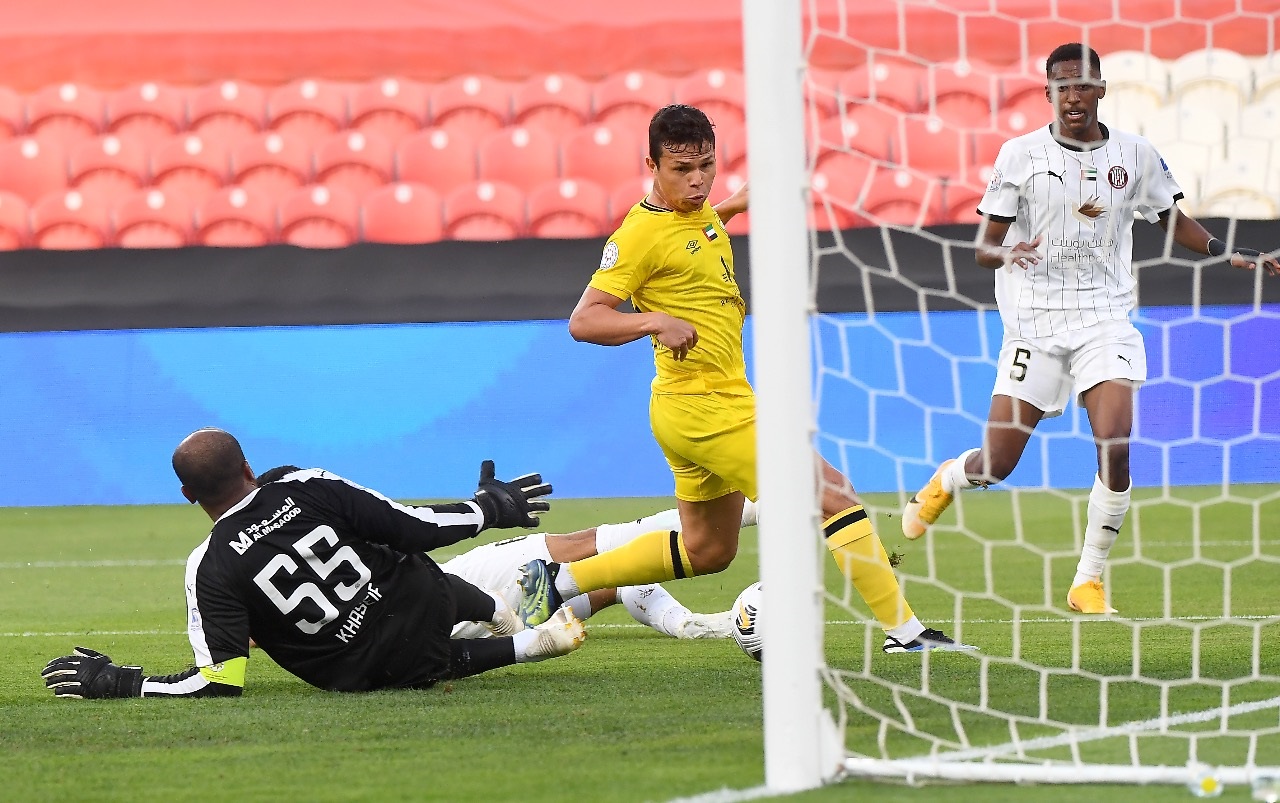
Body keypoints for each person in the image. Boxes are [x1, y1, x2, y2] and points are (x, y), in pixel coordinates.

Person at [519, 103, 973, 654]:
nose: (697, 181)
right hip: (706, 407)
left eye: (706, 166)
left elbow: (696, 233)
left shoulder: (698, 213)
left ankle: (559, 581)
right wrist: (654, 320)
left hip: (695, 407)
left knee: (708, 550)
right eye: (681, 169)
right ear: (651, 166)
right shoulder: (638, 236)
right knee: (832, 494)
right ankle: (905, 634)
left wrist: (736, 202)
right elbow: (584, 320)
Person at [900, 43, 1279, 614]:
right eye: (1062, 86)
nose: (1072, 96)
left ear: (1101, 89)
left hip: (1105, 318)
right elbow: (983, 247)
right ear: (1047, 93)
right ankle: (952, 478)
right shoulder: (1020, 155)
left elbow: (1173, 221)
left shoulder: (1136, 154)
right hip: (1034, 323)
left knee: (1116, 442)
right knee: (997, 463)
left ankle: (1088, 581)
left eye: (1082, 85)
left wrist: (1226, 251)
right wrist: (1007, 252)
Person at [41, 428, 583, 699]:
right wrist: (488, 509)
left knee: (409, 660)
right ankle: (506, 619)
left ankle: (520, 646)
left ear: (188, 495)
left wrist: (125, 683)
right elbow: (413, 526)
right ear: (248, 465)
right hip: (422, 598)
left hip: (365, 670)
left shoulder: (208, 565)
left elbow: (220, 681)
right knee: (409, 567)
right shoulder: (306, 486)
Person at [256, 463, 741, 641]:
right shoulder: (321, 517)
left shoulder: (263, 567)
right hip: (446, 594)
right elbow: (411, 529)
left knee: (610, 581)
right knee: (589, 544)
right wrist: (484, 509)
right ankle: (760, 506)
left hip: (421, 628)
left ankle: (689, 625)